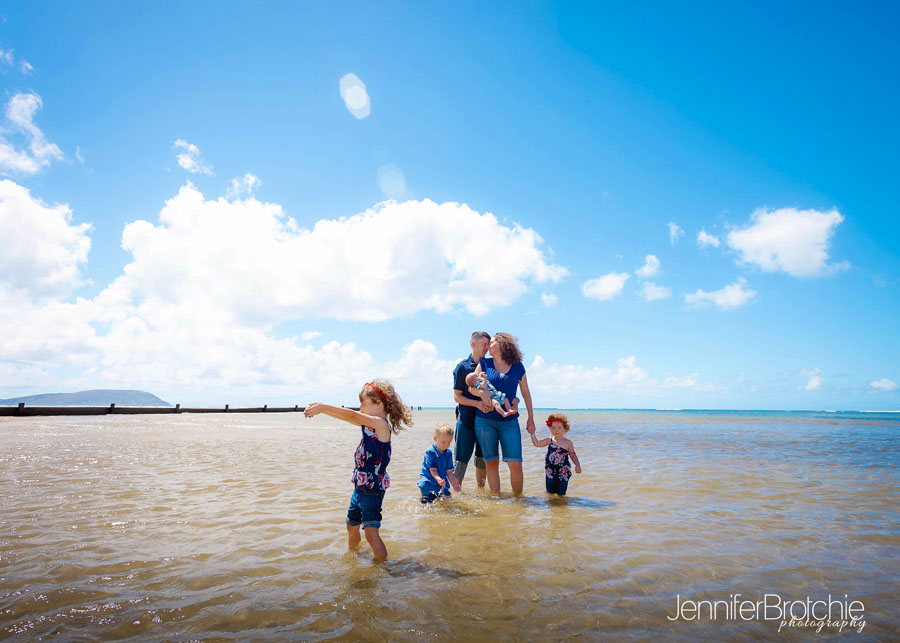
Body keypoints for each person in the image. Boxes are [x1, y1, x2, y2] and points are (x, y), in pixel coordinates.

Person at [303, 379, 412, 560]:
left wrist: (323, 407)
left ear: (378, 404)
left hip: (372, 489)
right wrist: (323, 411)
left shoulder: (380, 425)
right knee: (351, 525)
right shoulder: (369, 424)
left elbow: (353, 416)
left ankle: (381, 567)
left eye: (363, 405)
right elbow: (349, 417)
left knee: (371, 533)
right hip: (360, 487)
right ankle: (353, 558)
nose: (360, 409)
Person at [471, 332, 535, 494]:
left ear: (501, 344)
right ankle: (496, 501)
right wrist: (482, 395)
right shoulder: (484, 364)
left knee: (515, 462)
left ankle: (518, 502)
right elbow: (472, 387)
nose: (487, 347)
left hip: (510, 421)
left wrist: (531, 418)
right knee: (491, 462)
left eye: (490, 343)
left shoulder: (517, 366)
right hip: (484, 420)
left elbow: (526, 392)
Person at [451, 331, 493, 488]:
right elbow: (457, 397)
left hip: (486, 422)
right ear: (473, 344)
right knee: (460, 462)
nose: (487, 348)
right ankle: (455, 497)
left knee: (482, 461)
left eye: (489, 345)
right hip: (466, 420)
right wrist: (476, 404)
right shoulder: (462, 368)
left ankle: (481, 494)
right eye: (484, 344)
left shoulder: (490, 365)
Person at [530, 413, 582, 495]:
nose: (556, 430)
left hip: (563, 473)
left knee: (561, 494)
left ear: (565, 429)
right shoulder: (549, 440)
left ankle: (561, 506)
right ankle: (552, 507)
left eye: (559, 428)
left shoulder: (568, 443)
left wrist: (577, 465)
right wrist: (532, 434)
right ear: (550, 429)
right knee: (550, 494)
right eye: (553, 428)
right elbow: (537, 443)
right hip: (550, 473)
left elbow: (573, 455)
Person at [419, 422, 462, 503]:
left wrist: (454, 484)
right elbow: (433, 470)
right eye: (443, 442)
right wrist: (438, 479)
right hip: (428, 483)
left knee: (448, 501)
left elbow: (449, 471)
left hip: (442, 483)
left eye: (449, 443)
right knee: (428, 503)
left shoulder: (448, 453)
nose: (446, 445)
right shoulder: (430, 452)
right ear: (435, 438)